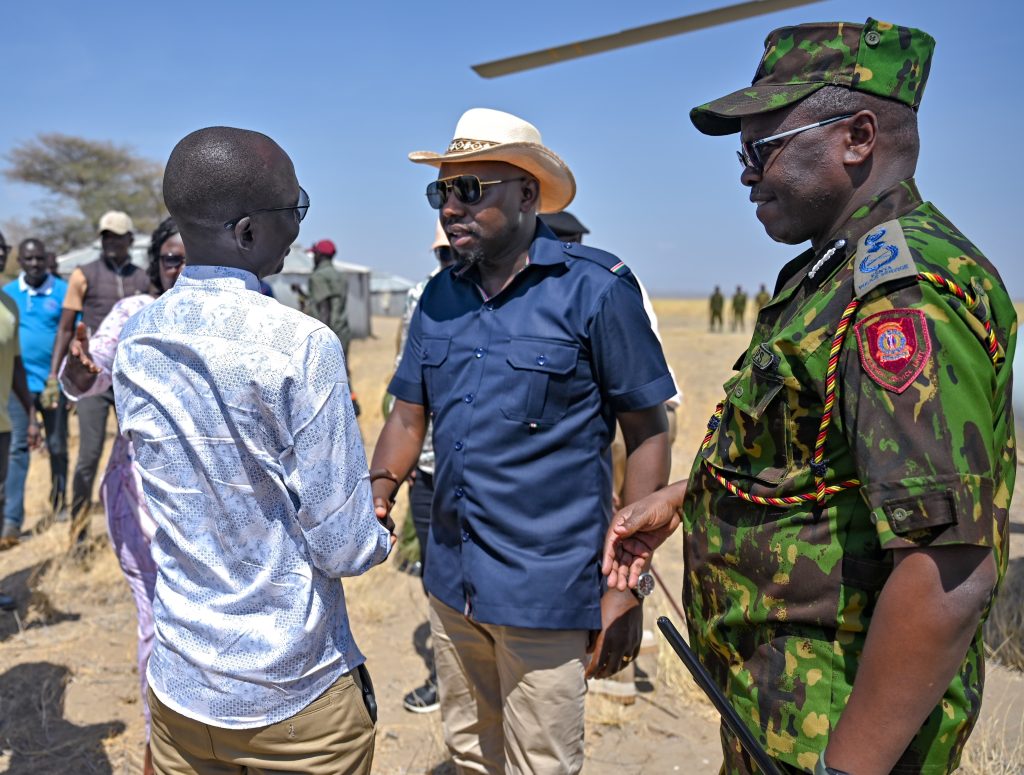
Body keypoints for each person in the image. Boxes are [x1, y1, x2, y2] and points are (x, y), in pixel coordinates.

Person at [603, 18, 1015, 775]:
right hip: (783, 713)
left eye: (761, 149)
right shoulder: (834, 273)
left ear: (858, 136)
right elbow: (829, 460)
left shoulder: (902, 294)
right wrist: (689, 496)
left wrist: (846, 768)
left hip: (837, 732)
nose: (746, 174)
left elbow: (947, 567)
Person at [373, 108, 674, 774]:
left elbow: (647, 430)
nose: (450, 208)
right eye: (441, 193)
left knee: (540, 759)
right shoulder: (436, 299)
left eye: (469, 190)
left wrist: (628, 577)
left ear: (529, 195)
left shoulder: (595, 291)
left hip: (548, 585)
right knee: (468, 749)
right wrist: (379, 492)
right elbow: (405, 417)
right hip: (453, 580)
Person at [111, 126, 391, 775]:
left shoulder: (137, 337)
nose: (296, 228)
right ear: (245, 232)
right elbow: (342, 547)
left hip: (182, 686)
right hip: (293, 696)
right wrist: (377, 527)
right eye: (293, 211)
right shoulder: (303, 345)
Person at [60, 217, 186, 775]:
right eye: (171, 258)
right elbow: (89, 376)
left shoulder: (252, 314)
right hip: (144, 504)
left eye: (192, 255)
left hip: (232, 516)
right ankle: (159, 746)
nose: (182, 269)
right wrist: (79, 368)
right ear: (155, 265)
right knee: (157, 625)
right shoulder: (135, 316)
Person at [50, 210, 150, 545]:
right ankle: (78, 533)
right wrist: (56, 375)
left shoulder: (143, 279)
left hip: (132, 380)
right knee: (89, 456)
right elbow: (66, 328)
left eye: (117, 236)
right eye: (106, 236)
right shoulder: (84, 274)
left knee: (140, 456)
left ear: (130, 240)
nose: (111, 242)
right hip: (95, 376)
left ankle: (137, 532)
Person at [397, 220, 457, 715]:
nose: (449, 264)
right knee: (435, 573)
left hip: (481, 469)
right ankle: (445, 677)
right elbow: (407, 389)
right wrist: (405, 459)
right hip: (430, 464)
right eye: (442, 255)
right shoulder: (422, 295)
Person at [1, 238, 69, 548]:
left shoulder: (62, 291)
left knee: (56, 446)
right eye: (27, 259)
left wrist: (61, 376)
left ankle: (59, 504)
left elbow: (72, 335)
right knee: (18, 449)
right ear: (20, 261)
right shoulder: (9, 294)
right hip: (16, 390)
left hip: (51, 386)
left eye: (39, 259)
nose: (34, 265)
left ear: (46, 259)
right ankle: (12, 521)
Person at [0, 232, 42, 603]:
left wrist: (30, 413)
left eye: (2, 251)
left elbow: (14, 365)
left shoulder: (9, 306)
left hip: (2, 424)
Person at [292, 239, 359, 414]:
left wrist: (322, 338)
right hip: (342, 330)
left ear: (320, 255)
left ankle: (342, 410)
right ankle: (350, 404)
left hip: (328, 331)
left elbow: (324, 309)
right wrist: (301, 294)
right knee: (342, 371)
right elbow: (329, 302)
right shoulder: (339, 275)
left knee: (324, 376)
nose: (313, 257)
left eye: (315, 254)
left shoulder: (318, 276)